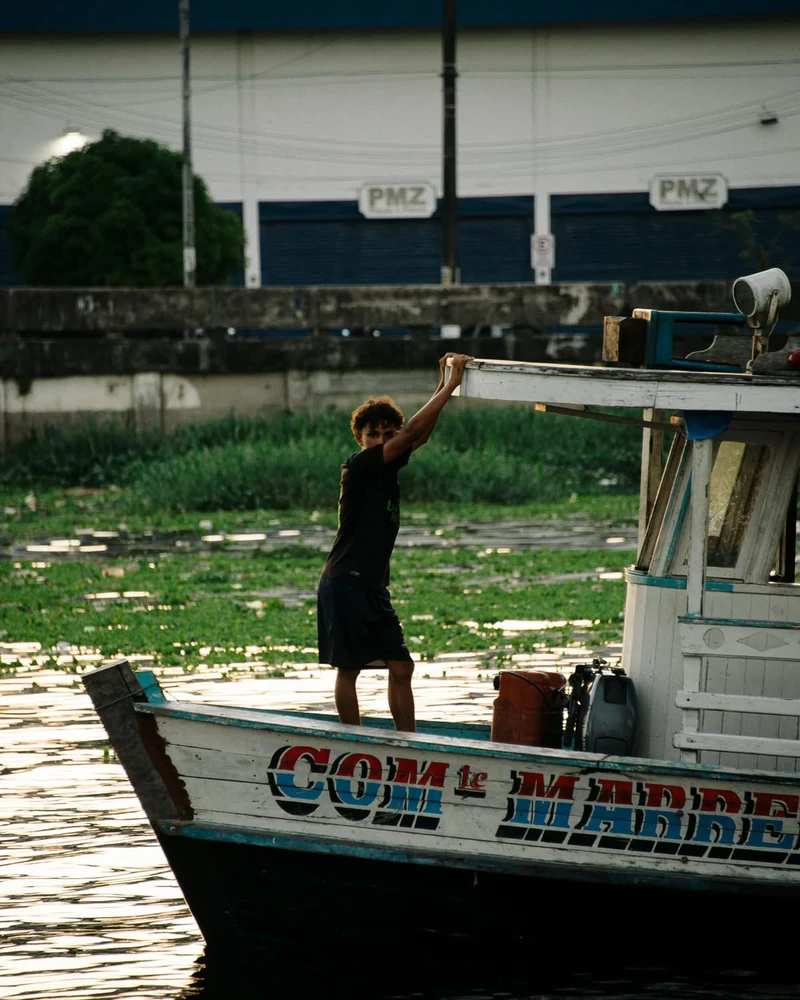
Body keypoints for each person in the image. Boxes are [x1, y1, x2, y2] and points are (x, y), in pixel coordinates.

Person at [317, 352, 472, 732]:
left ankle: (408, 743)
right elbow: (410, 434)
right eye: (375, 434)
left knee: (402, 666)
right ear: (360, 437)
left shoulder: (389, 466)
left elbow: (418, 434)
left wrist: (443, 383)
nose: (382, 439)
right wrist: (451, 385)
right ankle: (354, 741)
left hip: (372, 586)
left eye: (388, 434)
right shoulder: (360, 466)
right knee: (349, 669)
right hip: (345, 582)